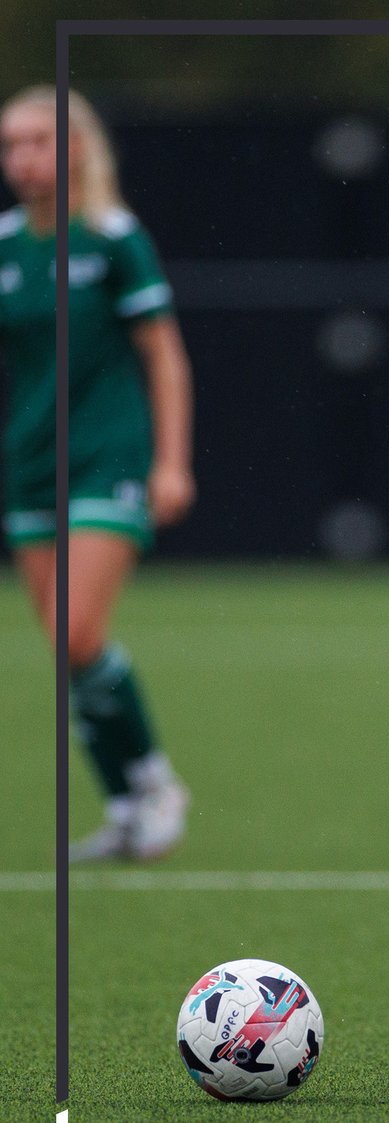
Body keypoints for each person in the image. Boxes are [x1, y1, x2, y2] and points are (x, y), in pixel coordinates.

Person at [0, 86, 194, 861]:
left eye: (37, 141)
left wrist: (170, 461)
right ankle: (124, 808)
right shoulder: (6, 245)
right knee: (69, 650)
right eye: (10, 145)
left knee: (76, 632)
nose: (22, 159)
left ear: (76, 147)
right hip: (28, 466)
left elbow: (164, 356)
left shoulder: (114, 239)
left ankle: (154, 783)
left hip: (107, 459)